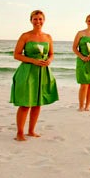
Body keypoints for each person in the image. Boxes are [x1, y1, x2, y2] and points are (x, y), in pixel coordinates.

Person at [10, 10, 59, 141]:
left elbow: (52, 54)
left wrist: (49, 60)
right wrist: (33, 61)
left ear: (44, 20)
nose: (38, 21)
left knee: (38, 103)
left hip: (42, 72)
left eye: (40, 19)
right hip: (27, 72)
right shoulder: (25, 36)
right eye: (35, 19)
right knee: (26, 104)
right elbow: (16, 54)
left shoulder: (48, 37)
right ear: (31, 20)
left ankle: (31, 130)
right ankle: (19, 133)